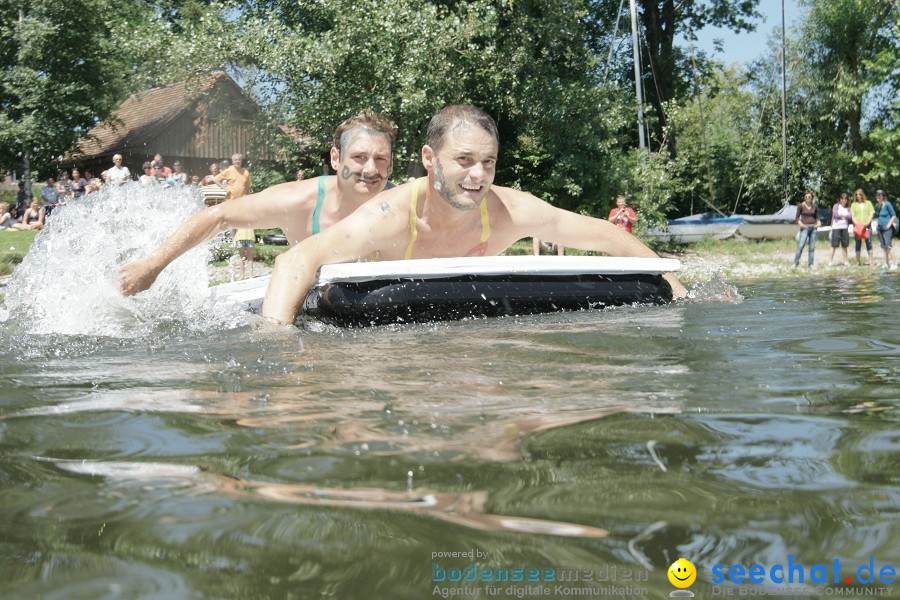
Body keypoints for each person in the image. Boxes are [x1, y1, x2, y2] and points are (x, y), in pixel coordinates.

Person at [261, 104, 688, 324]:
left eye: (489, 161)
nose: (478, 175)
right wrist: (276, 342)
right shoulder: (389, 214)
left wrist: (678, 289)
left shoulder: (508, 209)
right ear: (430, 158)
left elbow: (606, 236)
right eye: (464, 159)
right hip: (374, 320)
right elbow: (296, 258)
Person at [119, 109, 398, 295]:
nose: (371, 170)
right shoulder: (298, 201)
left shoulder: (408, 205)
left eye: (381, 159)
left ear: (391, 165)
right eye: (359, 157)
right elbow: (218, 216)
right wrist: (152, 265)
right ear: (336, 158)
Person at [793, 190, 820, 268]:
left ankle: (811, 264)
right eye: (806, 196)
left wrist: (818, 223)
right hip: (804, 228)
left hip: (813, 228)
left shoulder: (814, 206)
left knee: (812, 247)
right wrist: (801, 225)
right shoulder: (801, 206)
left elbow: (817, 217)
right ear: (804, 197)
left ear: (811, 197)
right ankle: (795, 263)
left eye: (809, 196)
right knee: (801, 245)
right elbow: (797, 218)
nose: (808, 198)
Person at [851, 188, 875, 266]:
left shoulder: (868, 203)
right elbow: (852, 215)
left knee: (869, 242)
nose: (858, 196)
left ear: (862, 195)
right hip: (858, 226)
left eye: (859, 194)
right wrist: (857, 224)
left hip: (867, 226)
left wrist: (867, 222)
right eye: (856, 195)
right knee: (858, 243)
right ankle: (858, 261)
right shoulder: (853, 204)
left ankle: (871, 261)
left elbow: (871, 213)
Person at [874, 189, 897, 269]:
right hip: (880, 228)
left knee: (889, 246)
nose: (878, 196)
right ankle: (886, 262)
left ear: (883, 196)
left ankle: (894, 263)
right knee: (884, 247)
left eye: (880, 195)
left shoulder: (887, 204)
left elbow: (893, 215)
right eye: (877, 195)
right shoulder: (877, 205)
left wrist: (888, 225)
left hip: (887, 228)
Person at [829, 193, 852, 266]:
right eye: (842, 199)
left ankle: (846, 261)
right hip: (836, 227)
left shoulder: (848, 208)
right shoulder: (836, 206)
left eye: (845, 199)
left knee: (845, 245)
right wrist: (844, 216)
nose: (844, 200)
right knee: (834, 245)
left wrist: (843, 216)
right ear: (840, 199)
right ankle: (830, 261)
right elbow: (835, 214)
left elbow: (850, 216)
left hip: (845, 227)